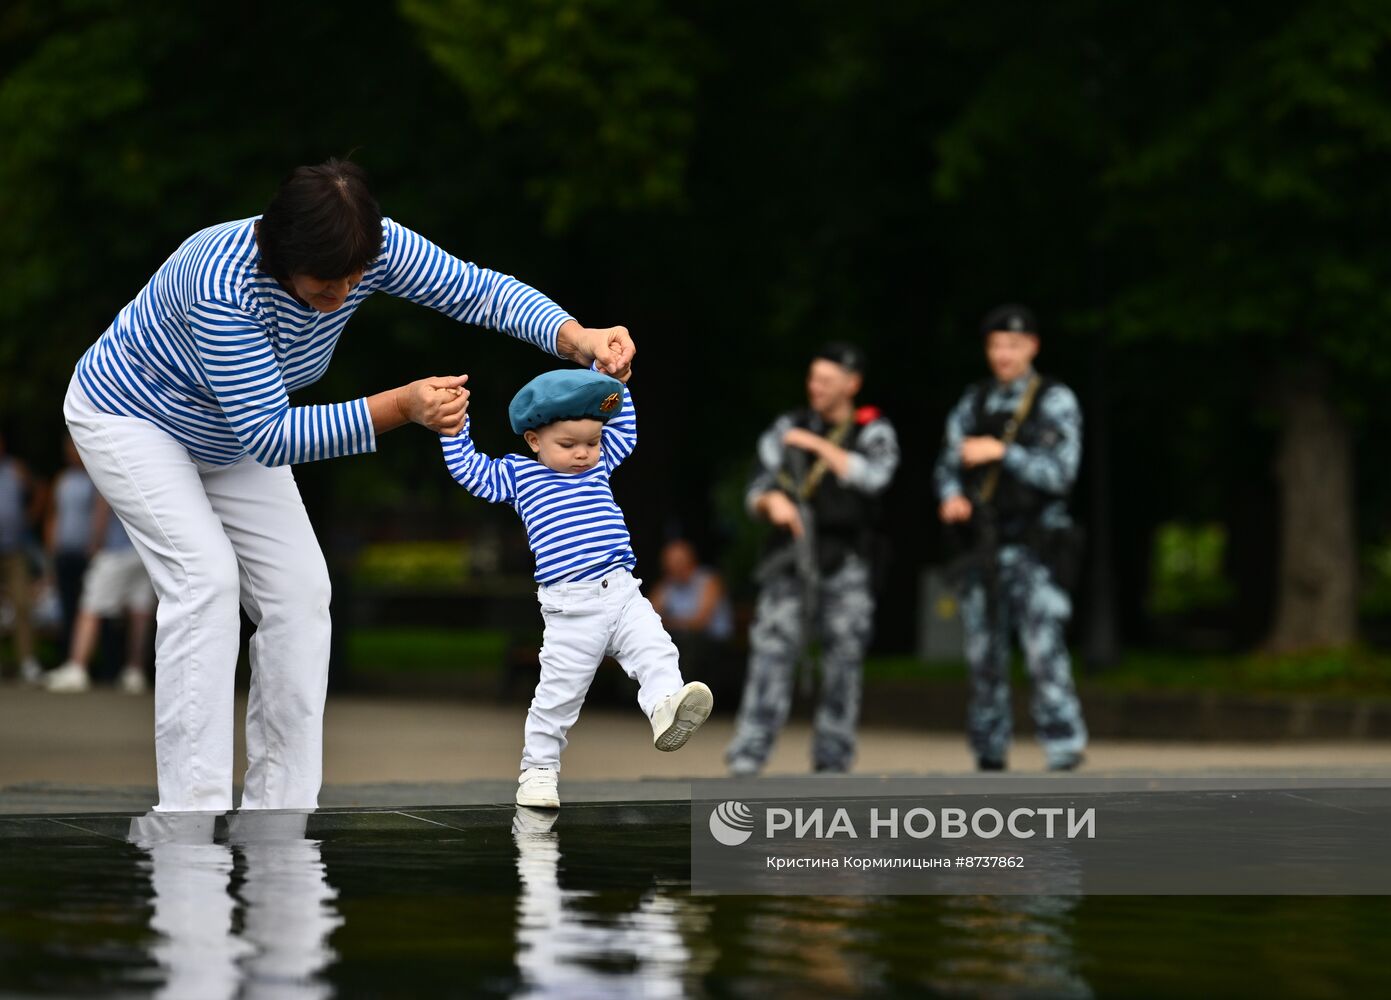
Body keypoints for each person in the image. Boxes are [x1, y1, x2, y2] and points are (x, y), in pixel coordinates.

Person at [64, 158, 634, 813]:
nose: (340, 296)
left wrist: (577, 337)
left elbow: (477, 291)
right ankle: (189, 811)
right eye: (324, 284)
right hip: (133, 417)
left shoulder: (373, 247)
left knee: (302, 593)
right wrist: (403, 406)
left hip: (230, 429)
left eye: (353, 280)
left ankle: (280, 807)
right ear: (278, 256)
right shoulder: (221, 282)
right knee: (205, 580)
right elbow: (274, 436)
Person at [441, 367, 713, 808]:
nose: (584, 454)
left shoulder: (601, 462)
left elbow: (624, 424)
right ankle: (539, 770)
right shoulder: (519, 476)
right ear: (534, 440)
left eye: (592, 442)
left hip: (623, 591)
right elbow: (471, 472)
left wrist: (612, 380)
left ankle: (665, 706)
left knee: (657, 649)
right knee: (558, 696)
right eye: (568, 445)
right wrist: (454, 427)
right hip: (572, 607)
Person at [725, 342, 899, 775]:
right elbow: (756, 488)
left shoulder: (872, 429)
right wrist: (771, 504)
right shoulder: (789, 424)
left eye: (826, 380)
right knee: (771, 652)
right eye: (812, 378)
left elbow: (874, 477)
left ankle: (833, 760)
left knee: (844, 658)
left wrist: (817, 446)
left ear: (851, 384)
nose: (815, 387)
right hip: (790, 557)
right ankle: (748, 757)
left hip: (846, 562)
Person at [933, 304, 1088, 771]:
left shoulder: (1054, 400)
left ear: (1032, 347)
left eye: (1014, 345)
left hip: (1036, 542)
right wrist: (950, 495)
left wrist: (1004, 451)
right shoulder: (974, 400)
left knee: (1043, 649)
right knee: (982, 652)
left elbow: (1061, 474)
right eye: (997, 345)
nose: (1004, 354)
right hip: (984, 541)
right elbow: (948, 463)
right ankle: (989, 748)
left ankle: (1063, 744)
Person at [44, 494, 156, 694]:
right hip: (145, 551)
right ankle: (134, 672)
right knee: (140, 612)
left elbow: (103, 507)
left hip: (115, 550)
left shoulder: (115, 463)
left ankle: (77, 668)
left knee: (90, 607)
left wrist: (95, 543)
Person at [650, 539, 734, 681]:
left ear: (690, 560)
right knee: (651, 641)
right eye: (669, 562)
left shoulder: (708, 580)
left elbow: (700, 622)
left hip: (712, 643)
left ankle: (683, 695)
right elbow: (647, 615)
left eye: (677, 561)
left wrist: (667, 623)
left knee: (687, 644)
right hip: (681, 638)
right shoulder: (668, 585)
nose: (673, 566)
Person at [45, 433, 97, 658]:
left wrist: (95, 546)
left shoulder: (96, 478)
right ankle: (66, 657)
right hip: (65, 552)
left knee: (91, 607)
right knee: (66, 607)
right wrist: (51, 550)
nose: (72, 452)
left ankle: (97, 665)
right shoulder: (62, 480)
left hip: (88, 553)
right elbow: (53, 515)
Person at [0, 431, 44, 684]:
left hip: (14, 549)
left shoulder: (15, 468)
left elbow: (39, 490)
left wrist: (30, 518)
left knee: (22, 604)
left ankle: (27, 661)